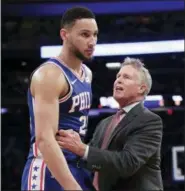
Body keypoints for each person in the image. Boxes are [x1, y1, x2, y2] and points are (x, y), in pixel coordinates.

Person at [56, 57, 164, 191]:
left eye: (126, 77)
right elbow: (90, 160)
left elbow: (128, 163)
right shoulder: (105, 123)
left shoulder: (149, 120)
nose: (118, 80)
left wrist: (82, 149)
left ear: (142, 89)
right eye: (118, 76)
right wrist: (65, 149)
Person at [21, 6, 98, 191]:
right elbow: (45, 140)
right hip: (48, 167)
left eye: (95, 35)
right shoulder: (50, 75)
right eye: (85, 35)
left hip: (76, 165)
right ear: (65, 34)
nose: (92, 42)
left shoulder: (87, 73)